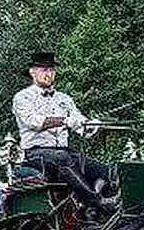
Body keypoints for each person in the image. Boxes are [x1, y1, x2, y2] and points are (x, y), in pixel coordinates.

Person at [11, 51, 115, 213]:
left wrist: (90, 125)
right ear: (32, 72)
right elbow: (33, 122)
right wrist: (64, 120)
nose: (48, 74)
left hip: (63, 152)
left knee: (104, 170)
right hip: (34, 154)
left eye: (51, 70)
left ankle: (91, 211)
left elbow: (80, 126)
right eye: (43, 70)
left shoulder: (65, 99)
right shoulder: (22, 97)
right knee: (62, 158)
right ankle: (96, 201)